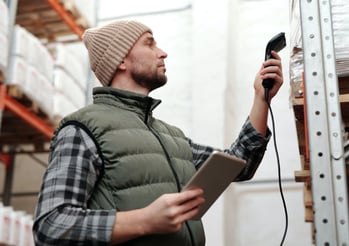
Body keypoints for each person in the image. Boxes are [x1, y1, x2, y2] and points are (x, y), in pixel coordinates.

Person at [32, 20, 283, 246]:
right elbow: (51, 225)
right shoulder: (82, 129)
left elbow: (241, 165)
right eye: (149, 44)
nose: (162, 52)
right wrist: (145, 220)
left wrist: (261, 99)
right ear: (120, 60)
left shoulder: (170, 135)